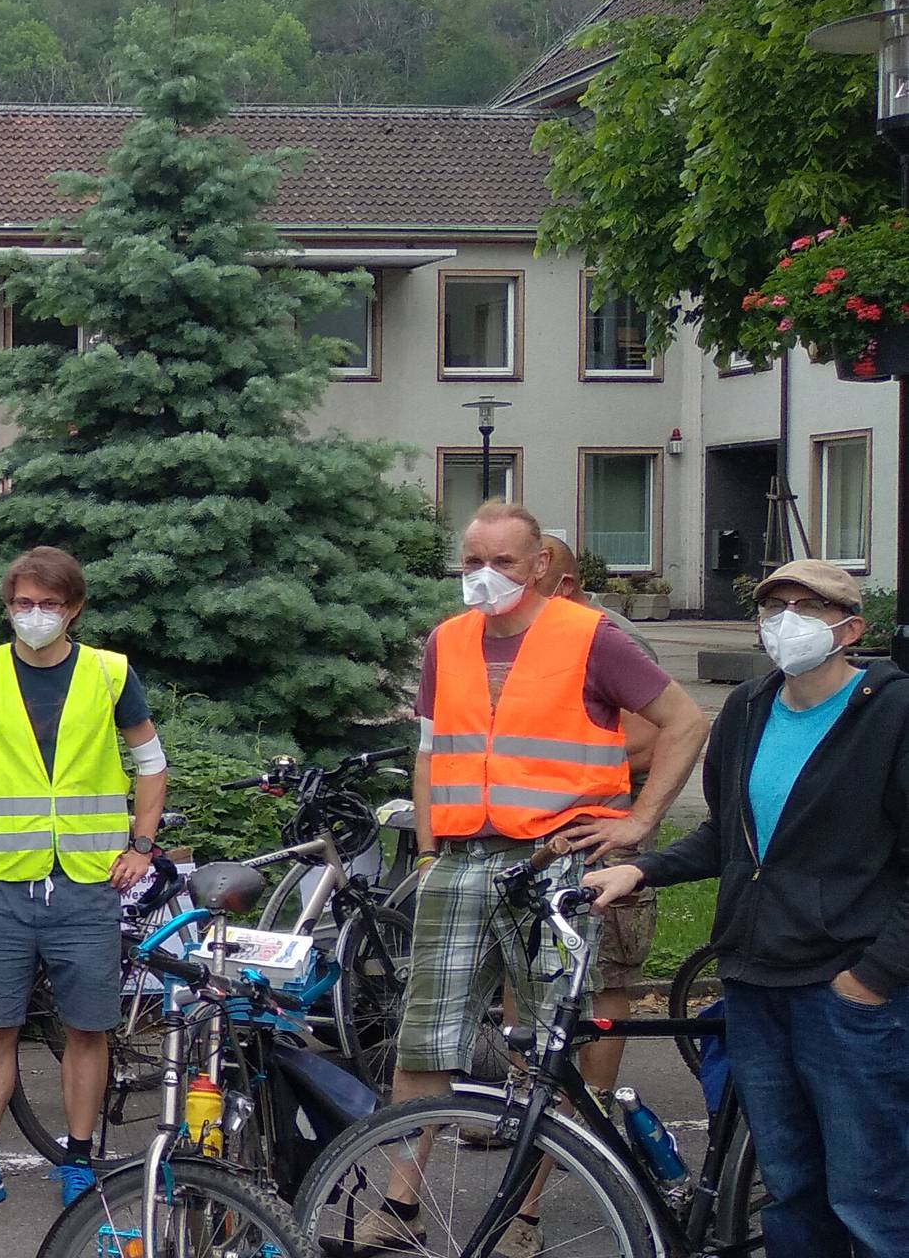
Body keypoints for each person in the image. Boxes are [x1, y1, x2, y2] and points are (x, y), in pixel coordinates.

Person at [357, 503, 707, 1257]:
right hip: (456, 859)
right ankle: (400, 1203)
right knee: (425, 1038)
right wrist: (425, 850)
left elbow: (685, 721)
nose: (484, 578)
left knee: (545, 1047)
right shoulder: (447, 643)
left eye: (504, 563)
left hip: (550, 863)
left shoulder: (589, 636)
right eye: (471, 563)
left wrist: (639, 822)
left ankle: (526, 1214)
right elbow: (430, 752)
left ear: (541, 564)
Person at [588, 561, 909, 1258]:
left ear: (850, 629)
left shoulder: (892, 712)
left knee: (870, 1195)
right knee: (791, 1186)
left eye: (807, 607)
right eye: (775, 606)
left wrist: (873, 977)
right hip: (754, 982)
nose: (786, 621)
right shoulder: (749, 707)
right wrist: (639, 869)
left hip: (847, 994)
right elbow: (723, 834)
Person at [0, 546, 166, 1218]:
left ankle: (79, 1162)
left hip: (87, 883)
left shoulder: (110, 673)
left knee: (87, 1030)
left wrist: (142, 846)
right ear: (9, 606)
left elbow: (150, 762)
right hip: (4, 882)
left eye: (50, 605)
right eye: (24, 604)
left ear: (74, 609)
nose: (36, 616)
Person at [536, 534, 662, 1097]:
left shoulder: (612, 638)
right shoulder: (529, 638)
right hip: (540, 833)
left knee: (607, 971)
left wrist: (560, 777)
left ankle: (596, 1107)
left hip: (608, 836)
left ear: (561, 584)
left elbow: (655, 738)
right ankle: (528, 1112)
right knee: (534, 963)